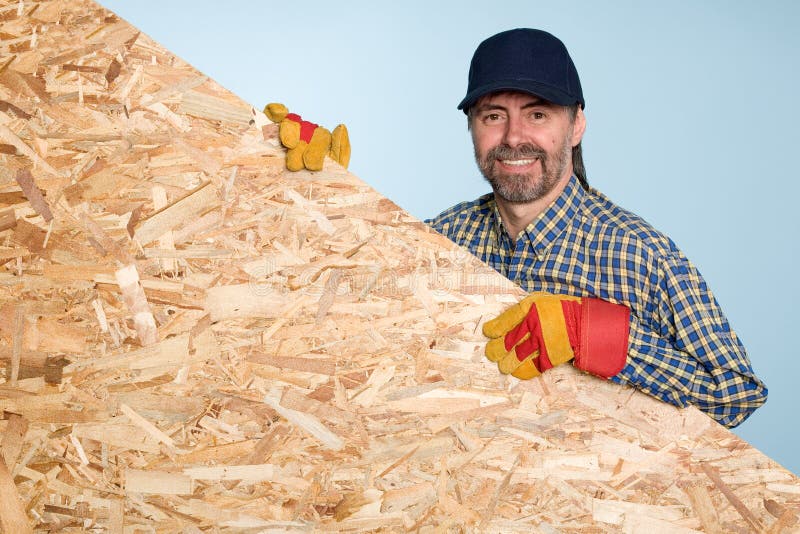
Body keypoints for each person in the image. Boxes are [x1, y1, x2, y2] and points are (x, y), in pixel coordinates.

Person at [426, 28, 767, 428]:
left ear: (576, 126)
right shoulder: (442, 237)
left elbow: (735, 395)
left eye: (538, 114)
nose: (514, 137)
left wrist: (589, 332)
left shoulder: (640, 254)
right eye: (493, 116)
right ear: (472, 127)